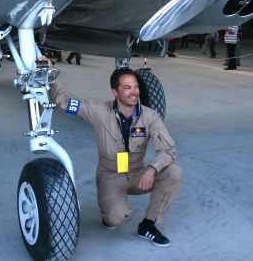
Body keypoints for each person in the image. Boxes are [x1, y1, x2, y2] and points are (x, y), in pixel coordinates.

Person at [49, 67, 182, 247]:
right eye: (127, 87)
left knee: (174, 172)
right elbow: (62, 103)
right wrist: (51, 74)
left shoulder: (149, 116)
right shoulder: (98, 111)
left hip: (137, 174)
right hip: (110, 175)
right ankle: (109, 212)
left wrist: (152, 169)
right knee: (115, 218)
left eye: (135, 87)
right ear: (115, 92)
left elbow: (168, 149)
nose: (134, 92)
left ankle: (148, 225)